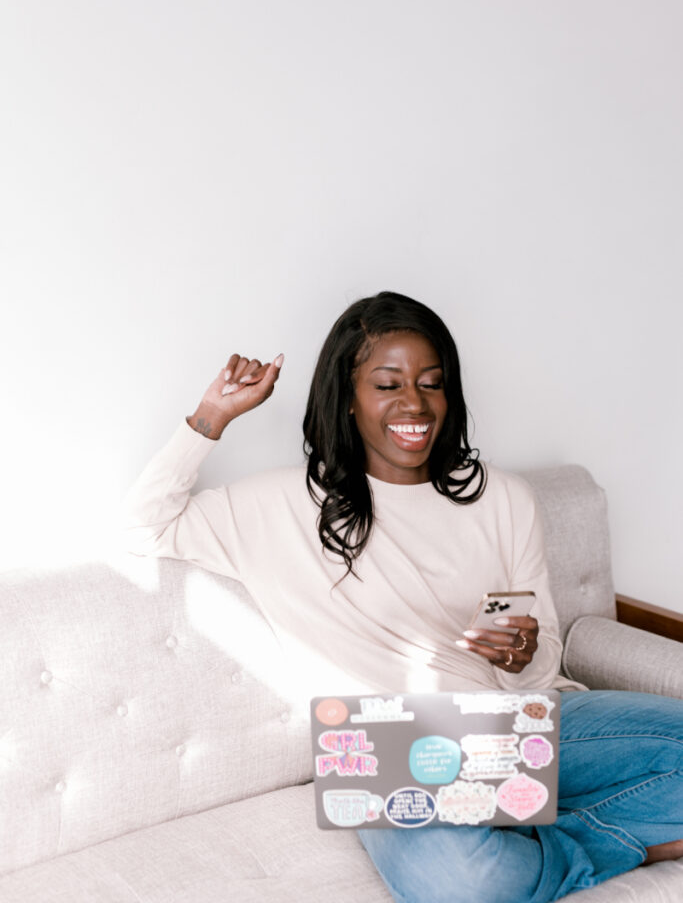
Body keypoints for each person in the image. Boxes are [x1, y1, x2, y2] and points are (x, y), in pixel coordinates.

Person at [123, 290, 683, 903]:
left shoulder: (504, 501)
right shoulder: (282, 506)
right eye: (387, 384)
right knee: (467, 881)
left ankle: (529, 823)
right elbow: (143, 526)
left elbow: (537, 669)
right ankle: (590, 839)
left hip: (513, 725)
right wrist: (213, 416)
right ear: (349, 398)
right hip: (385, 754)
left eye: (431, 383)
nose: (414, 403)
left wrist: (521, 655)